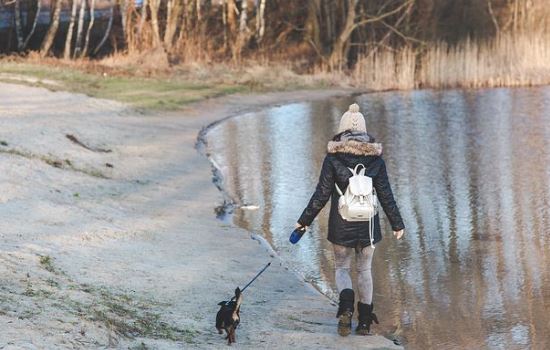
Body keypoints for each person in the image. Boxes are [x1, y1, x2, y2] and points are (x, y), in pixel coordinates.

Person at [296, 103, 405, 336]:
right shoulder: (376, 160)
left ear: (342, 130)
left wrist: (304, 221)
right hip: (368, 226)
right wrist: (397, 224)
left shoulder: (332, 159)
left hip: (341, 225)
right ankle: (364, 323)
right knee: (365, 270)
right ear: (364, 132)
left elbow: (321, 195)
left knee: (342, 267)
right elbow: (386, 194)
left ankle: (346, 308)